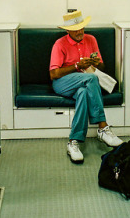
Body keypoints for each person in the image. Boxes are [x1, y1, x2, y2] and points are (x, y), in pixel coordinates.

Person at [50, 10, 123, 164]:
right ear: (68, 30)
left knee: (83, 93)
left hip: (84, 83)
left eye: (82, 28)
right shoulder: (60, 44)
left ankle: (74, 142)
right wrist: (76, 65)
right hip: (62, 82)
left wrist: (97, 64)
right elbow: (54, 74)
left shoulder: (91, 40)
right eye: (76, 29)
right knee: (90, 79)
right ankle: (102, 127)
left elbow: (101, 66)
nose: (80, 32)